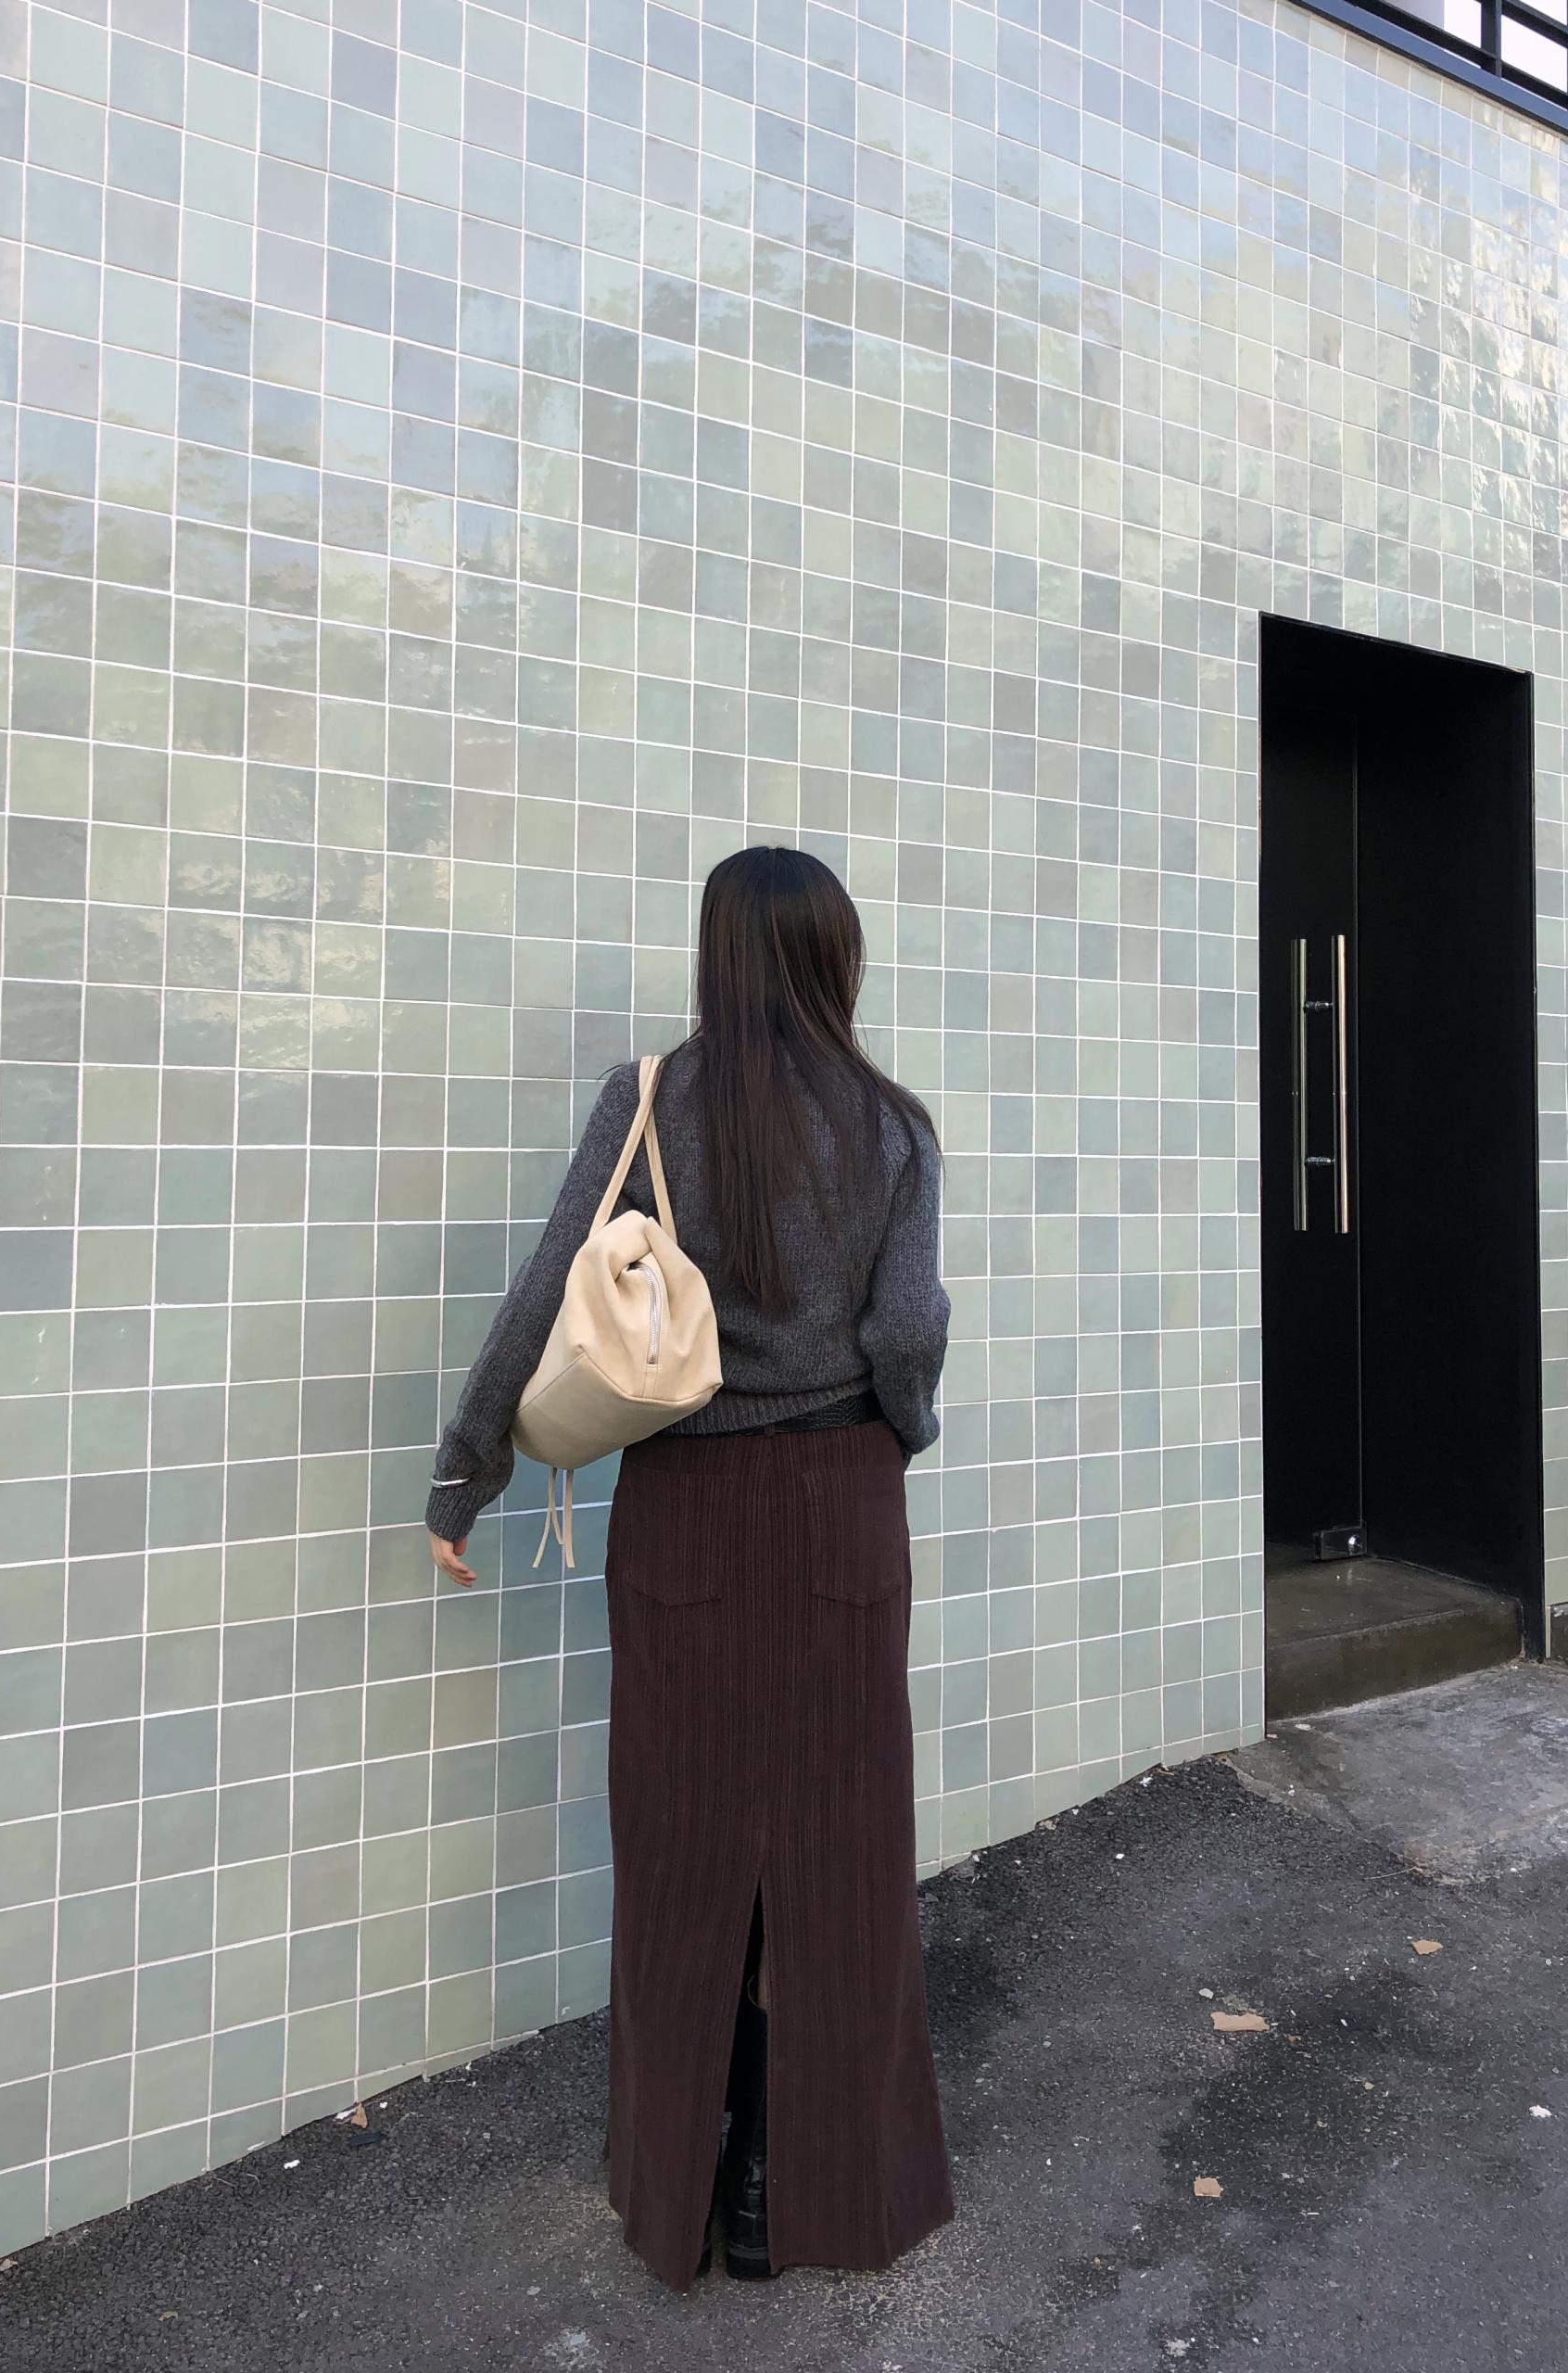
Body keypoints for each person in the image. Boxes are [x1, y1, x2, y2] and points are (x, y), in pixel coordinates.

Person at [425, 845, 954, 2288]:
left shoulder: (652, 1101)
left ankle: (685, 2176)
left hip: (686, 1516)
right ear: (835, 957)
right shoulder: (894, 1126)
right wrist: (899, 1433)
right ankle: (798, 2186)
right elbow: (908, 1332)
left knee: (682, 1847)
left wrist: (465, 1472)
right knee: (837, 1850)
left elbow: (547, 1294)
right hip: (843, 1506)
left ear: (716, 953)